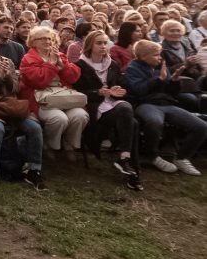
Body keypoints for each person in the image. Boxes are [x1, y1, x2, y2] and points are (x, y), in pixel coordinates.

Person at [0, 32, 45, 190]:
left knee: (34, 127)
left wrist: (8, 77)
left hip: (10, 104)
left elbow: (16, 88)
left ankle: (34, 170)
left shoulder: (7, 62)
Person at [124, 39, 207, 176]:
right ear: (144, 56)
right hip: (145, 104)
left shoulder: (160, 66)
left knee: (201, 127)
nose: (160, 57)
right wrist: (159, 80)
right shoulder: (133, 68)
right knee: (154, 122)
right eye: (156, 54)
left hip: (166, 104)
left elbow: (171, 93)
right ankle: (153, 156)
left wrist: (174, 81)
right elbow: (138, 90)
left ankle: (182, 157)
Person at [73, 30, 143, 190]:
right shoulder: (80, 65)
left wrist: (119, 90)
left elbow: (120, 85)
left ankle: (129, 165)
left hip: (114, 106)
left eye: (105, 43)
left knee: (132, 122)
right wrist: (96, 93)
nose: (103, 46)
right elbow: (76, 93)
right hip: (95, 109)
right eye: (99, 43)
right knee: (128, 113)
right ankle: (129, 166)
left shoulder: (112, 65)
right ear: (90, 45)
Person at [19, 26, 88, 162]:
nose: (47, 41)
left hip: (63, 96)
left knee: (81, 115)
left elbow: (73, 78)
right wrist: (50, 65)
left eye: (50, 39)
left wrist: (63, 67)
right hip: (40, 98)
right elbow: (38, 82)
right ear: (33, 42)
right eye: (42, 39)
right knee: (59, 118)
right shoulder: (28, 59)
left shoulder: (59, 55)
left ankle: (69, 145)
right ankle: (50, 145)